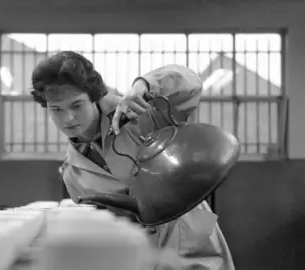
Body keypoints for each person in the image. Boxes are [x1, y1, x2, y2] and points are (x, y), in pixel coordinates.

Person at [31, 51, 235, 269]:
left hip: (192, 237)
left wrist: (143, 85)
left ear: (93, 97)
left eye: (76, 105)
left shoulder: (139, 114)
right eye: (56, 110)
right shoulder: (73, 173)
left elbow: (190, 83)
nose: (68, 118)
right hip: (143, 257)